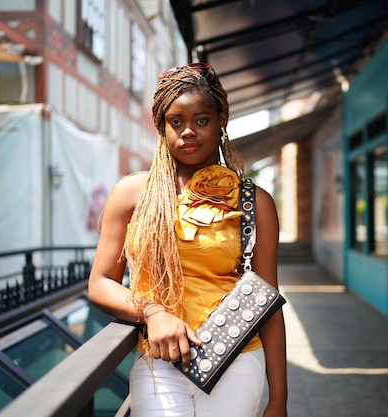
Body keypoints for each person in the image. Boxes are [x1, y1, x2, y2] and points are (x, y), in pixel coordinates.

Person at [88, 62, 287, 417]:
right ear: (161, 126)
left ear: (221, 118)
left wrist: (279, 400)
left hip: (237, 358)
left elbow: (267, 303)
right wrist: (152, 312)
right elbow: (101, 282)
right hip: (159, 360)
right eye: (176, 122)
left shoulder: (255, 201)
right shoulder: (132, 193)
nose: (188, 132)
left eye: (201, 120)